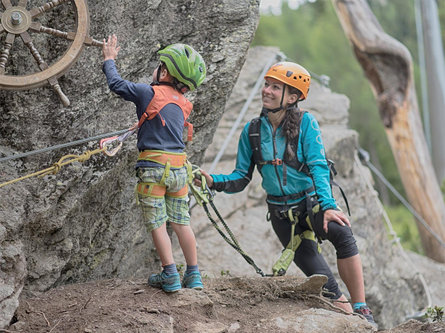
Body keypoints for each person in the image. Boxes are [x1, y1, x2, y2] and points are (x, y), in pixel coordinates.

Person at [198, 61, 376, 325]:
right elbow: (240, 177)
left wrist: (328, 206)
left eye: (275, 87)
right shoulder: (252, 131)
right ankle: (353, 320)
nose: (266, 91)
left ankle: (362, 308)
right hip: (282, 216)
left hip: (310, 203)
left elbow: (318, 167)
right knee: (330, 292)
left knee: (342, 233)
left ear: (292, 97)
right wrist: (213, 181)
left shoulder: (307, 124)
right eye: (267, 85)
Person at [102, 34, 206, 292]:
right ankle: (193, 275)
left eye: (159, 64)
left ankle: (169, 273)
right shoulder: (185, 104)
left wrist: (109, 59)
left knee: (158, 222)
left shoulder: (147, 92)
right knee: (182, 221)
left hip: (153, 168)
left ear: (166, 71)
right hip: (179, 169)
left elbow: (116, 84)